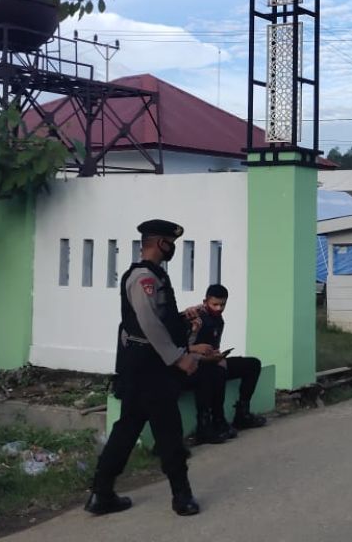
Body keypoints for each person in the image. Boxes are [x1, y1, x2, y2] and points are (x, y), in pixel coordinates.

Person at [86, 219, 201, 517]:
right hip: (150, 368)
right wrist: (178, 357)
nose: (172, 248)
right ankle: (182, 496)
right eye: (170, 242)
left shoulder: (153, 275)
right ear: (159, 243)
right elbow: (149, 323)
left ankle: (102, 493)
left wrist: (182, 320)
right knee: (168, 430)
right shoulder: (143, 277)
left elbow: (156, 318)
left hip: (140, 365)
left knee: (128, 428)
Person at [182, 284, 268, 443]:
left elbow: (214, 345)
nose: (219, 308)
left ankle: (242, 413)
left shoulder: (218, 320)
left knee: (253, 364)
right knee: (214, 372)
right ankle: (211, 422)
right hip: (193, 364)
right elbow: (178, 348)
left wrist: (218, 355)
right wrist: (198, 350)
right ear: (205, 301)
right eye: (215, 304)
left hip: (212, 360)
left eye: (222, 304)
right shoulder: (194, 317)